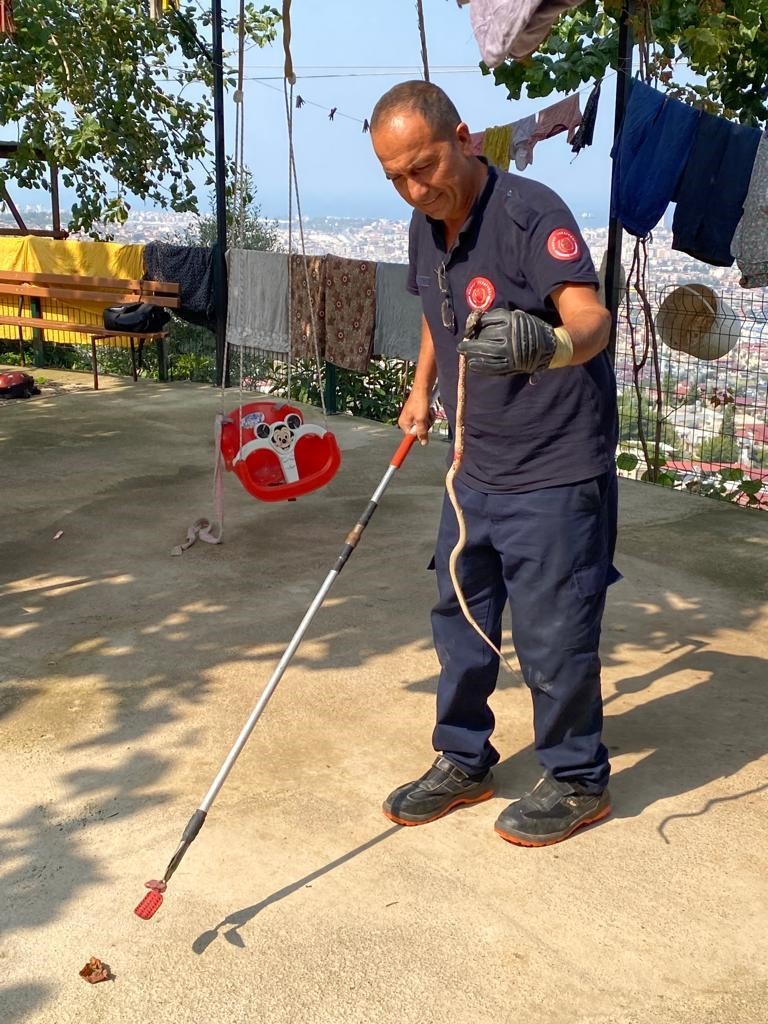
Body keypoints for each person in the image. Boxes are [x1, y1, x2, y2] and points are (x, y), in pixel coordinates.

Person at [369, 81, 620, 847]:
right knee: (460, 615)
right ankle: (463, 760)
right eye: (397, 179)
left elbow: (592, 321)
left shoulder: (529, 212)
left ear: (465, 138)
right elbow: (431, 305)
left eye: (424, 167)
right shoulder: (425, 221)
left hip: (555, 466)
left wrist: (545, 346)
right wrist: (420, 391)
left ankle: (578, 778)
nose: (416, 189)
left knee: (554, 630)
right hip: (472, 464)